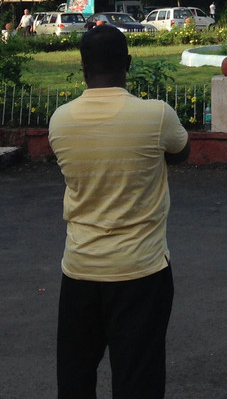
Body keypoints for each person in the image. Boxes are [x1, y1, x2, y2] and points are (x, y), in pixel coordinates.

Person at [48, 24, 191, 398]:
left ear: (82, 68)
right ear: (128, 62)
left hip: (80, 269)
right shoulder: (156, 116)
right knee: (138, 379)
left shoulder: (60, 121)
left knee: (75, 378)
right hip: (141, 271)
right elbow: (181, 152)